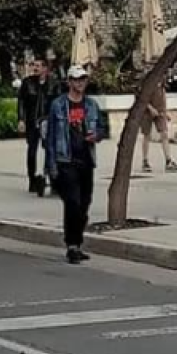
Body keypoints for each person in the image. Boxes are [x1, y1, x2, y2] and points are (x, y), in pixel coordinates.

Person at [45, 66, 107, 265]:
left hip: (86, 159)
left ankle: (77, 242)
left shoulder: (91, 105)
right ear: (69, 82)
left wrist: (96, 135)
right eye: (76, 80)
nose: (79, 83)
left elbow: (102, 129)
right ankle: (71, 245)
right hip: (66, 160)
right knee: (72, 202)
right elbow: (51, 137)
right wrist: (51, 166)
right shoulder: (58, 105)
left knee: (84, 203)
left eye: (83, 80)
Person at [17, 57, 61, 195]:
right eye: (33, 65)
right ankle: (32, 179)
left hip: (48, 122)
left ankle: (53, 179)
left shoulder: (54, 83)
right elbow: (21, 102)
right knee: (31, 151)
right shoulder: (27, 83)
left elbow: (58, 103)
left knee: (50, 151)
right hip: (31, 121)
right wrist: (21, 119)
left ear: (45, 68)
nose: (35, 68)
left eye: (38, 65)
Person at [139, 79, 177, 173]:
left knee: (164, 134)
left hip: (160, 110)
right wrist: (150, 108)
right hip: (146, 112)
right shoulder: (146, 79)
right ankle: (145, 161)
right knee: (147, 135)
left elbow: (163, 96)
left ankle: (168, 160)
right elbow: (142, 96)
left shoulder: (162, 79)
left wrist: (165, 112)